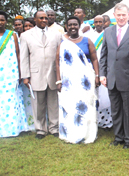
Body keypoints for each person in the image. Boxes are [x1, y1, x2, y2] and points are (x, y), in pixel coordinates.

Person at [99, 3, 129, 149]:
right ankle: (118, 137)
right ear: (114, 16)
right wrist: (102, 74)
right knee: (116, 110)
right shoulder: (107, 32)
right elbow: (103, 55)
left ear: (128, 15)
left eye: (124, 15)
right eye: (118, 15)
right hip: (111, 79)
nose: (121, 17)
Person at [0, 11, 28, 137]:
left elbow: (18, 54)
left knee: (12, 99)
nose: (0, 23)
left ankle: (14, 128)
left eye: (2, 20)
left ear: (6, 21)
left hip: (11, 72)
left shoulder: (12, 35)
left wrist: (21, 72)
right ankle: (0, 129)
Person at [20, 10, 62, 139]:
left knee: (53, 103)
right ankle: (40, 129)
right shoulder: (26, 36)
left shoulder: (56, 34)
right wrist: (25, 76)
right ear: (35, 20)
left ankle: (54, 128)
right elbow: (24, 57)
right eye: (41, 18)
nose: (44, 20)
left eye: (45, 18)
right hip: (35, 75)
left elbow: (60, 56)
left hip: (53, 74)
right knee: (38, 104)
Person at [56, 16, 97, 144]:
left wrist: (96, 76)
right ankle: (71, 133)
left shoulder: (87, 41)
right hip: (68, 82)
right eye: (70, 25)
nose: (73, 27)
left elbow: (95, 59)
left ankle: (86, 134)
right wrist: (58, 80)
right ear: (66, 27)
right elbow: (57, 62)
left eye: (75, 24)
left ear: (79, 26)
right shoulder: (63, 43)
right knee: (70, 106)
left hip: (85, 82)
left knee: (85, 106)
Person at [92, 15, 113, 130]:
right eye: (96, 22)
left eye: (101, 21)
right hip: (93, 69)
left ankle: (109, 121)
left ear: (105, 22)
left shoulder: (109, 34)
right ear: (94, 23)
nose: (99, 24)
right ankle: (97, 120)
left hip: (106, 68)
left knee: (106, 96)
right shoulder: (88, 34)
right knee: (96, 96)